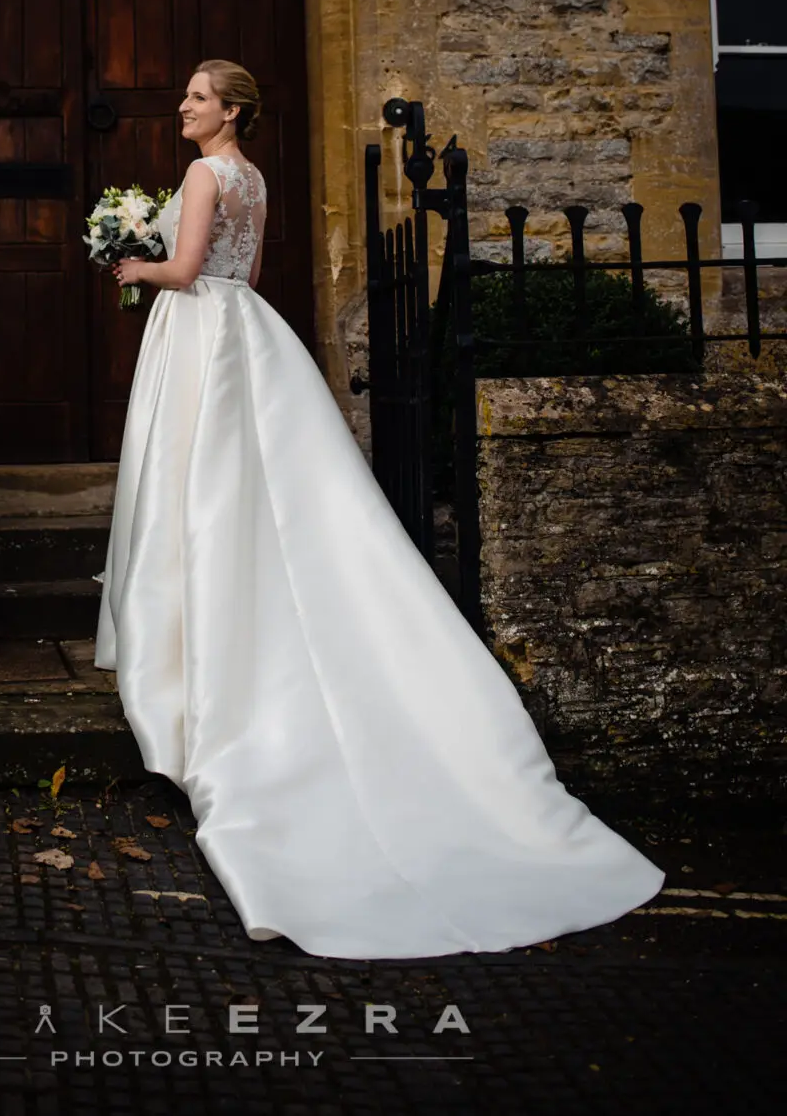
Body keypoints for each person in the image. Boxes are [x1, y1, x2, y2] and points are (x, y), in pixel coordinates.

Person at [92, 58, 665, 959]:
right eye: (188, 94)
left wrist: (133, 259)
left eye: (198, 97)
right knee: (256, 492)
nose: (183, 105)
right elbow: (236, 265)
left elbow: (191, 266)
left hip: (201, 331)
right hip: (246, 330)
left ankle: (189, 659)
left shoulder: (207, 173)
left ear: (231, 109)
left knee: (197, 490)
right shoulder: (257, 177)